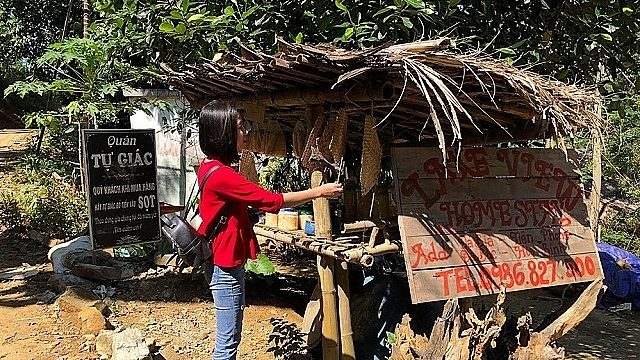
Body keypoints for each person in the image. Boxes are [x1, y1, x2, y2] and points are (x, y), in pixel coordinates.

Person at [197, 100, 343, 360]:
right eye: (240, 128)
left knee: (230, 338)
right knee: (227, 344)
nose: (246, 134)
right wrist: (319, 192)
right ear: (224, 133)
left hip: (221, 259)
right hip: (224, 264)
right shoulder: (223, 175)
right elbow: (271, 201)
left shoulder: (209, 166)